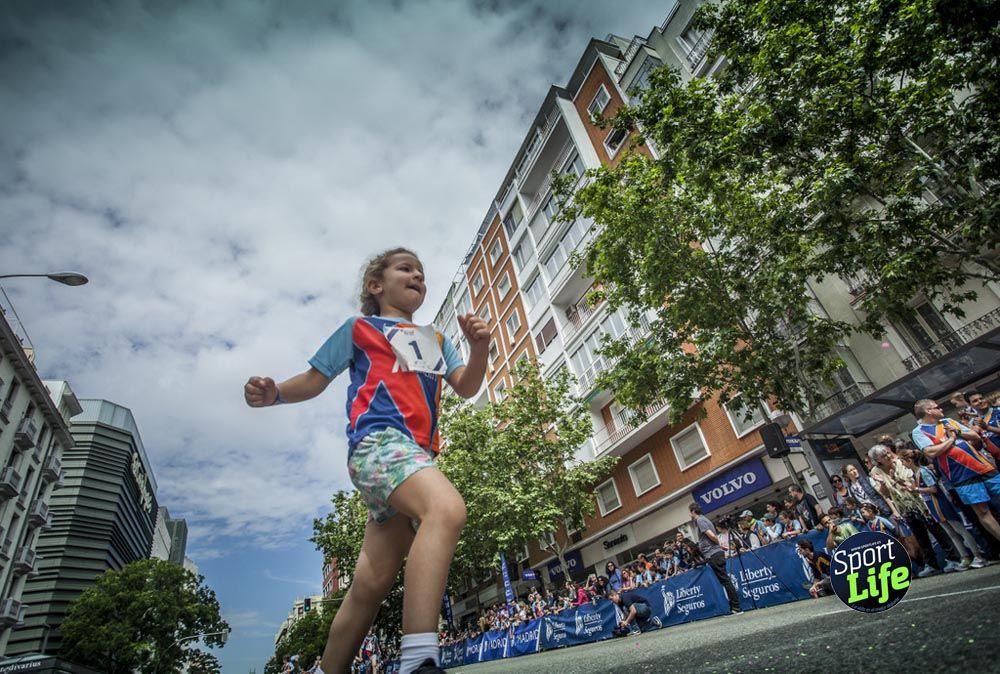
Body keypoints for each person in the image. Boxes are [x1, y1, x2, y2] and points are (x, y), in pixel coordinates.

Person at [245, 248, 489, 674]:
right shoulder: (359, 328)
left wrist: (480, 348)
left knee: (370, 584)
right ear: (376, 286)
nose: (417, 275)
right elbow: (315, 379)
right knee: (446, 509)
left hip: (415, 458)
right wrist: (276, 393)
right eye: (405, 268)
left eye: (422, 272)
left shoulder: (438, 341)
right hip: (378, 446)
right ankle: (418, 659)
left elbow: (466, 386)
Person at [911, 399, 1000, 543]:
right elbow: (931, 452)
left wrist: (957, 431)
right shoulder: (918, 432)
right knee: (983, 512)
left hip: (983, 466)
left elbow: (975, 435)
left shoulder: (948, 421)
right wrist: (951, 438)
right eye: (937, 407)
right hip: (960, 476)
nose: (941, 409)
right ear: (929, 411)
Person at [902, 449, 990, 569]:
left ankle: (978, 555)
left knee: (959, 529)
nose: (902, 464)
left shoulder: (923, 471)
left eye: (902, 460)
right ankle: (965, 557)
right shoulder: (916, 474)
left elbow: (933, 488)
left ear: (909, 460)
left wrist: (916, 489)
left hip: (940, 503)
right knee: (951, 533)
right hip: (932, 505)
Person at [689, 503, 742, 615]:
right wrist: (720, 545)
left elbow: (711, 535)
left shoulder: (699, 520)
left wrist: (720, 544)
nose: (690, 514)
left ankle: (736, 607)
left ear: (693, 511)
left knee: (725, 581)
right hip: (715, 553)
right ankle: (733, 607)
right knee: (725, 580)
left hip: (713, 554)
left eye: (690, 512)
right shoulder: (705, 519)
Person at [966, 389, 1000, 460]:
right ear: (970, 405)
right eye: (975, 401)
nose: (980, 401)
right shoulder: (972, 423)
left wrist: (987, 427)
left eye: (981, 398)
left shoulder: (998, 411)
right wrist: (975, 437)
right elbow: (978, 447)